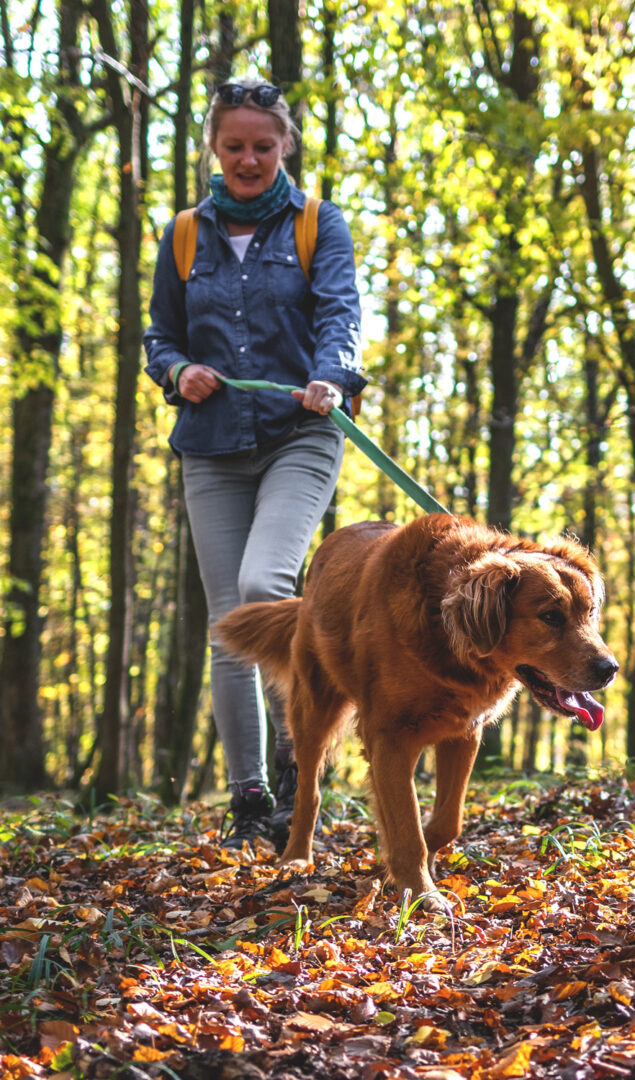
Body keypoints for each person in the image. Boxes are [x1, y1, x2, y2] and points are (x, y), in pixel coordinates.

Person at [144, 79, 366, 850]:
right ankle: (249, 802)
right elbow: (159, 337)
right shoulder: (181, 236)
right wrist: (177, 373)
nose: (247, 159)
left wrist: (331, 375)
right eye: (234, 146)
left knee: (264, 586)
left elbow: (341, 313)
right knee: (226, 624)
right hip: (210, 446)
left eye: (262, 146)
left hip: (298, 435)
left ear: (284, 147)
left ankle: (294, 752)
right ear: (214, 147)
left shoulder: (316, 224)